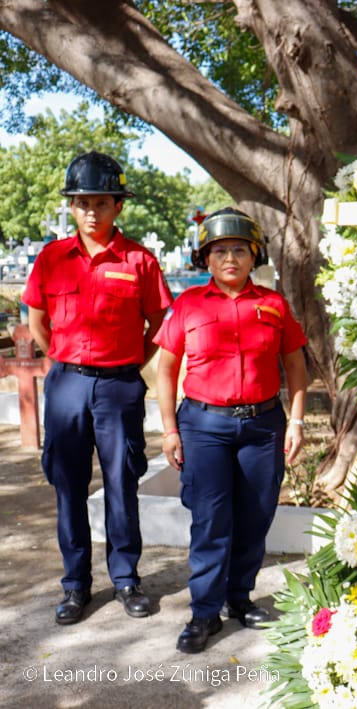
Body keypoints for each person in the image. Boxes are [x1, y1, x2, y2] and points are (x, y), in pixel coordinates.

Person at [22, 151, 173, 625]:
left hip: (119, 387)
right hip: (66, 384)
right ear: (71, 207)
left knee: (122, 483)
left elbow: (158, 325)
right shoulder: (50, 259)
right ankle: (75, 586)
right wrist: (64, 362)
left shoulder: (139, 261)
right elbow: (38, 322)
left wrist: (127, 367)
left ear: (118, 207)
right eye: (82, 201)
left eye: (101, 202)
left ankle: (126, 579)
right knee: (67, 485)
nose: (92, 210)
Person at [154, 207, 308, 654]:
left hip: (262, 426)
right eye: (219, 251)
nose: (230, 259)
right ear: (206, 258)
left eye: (239, 250)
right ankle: (204, 612)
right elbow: (165, 369)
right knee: (210, 520)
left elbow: (296, 364)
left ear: (253, 255)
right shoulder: (187, 306)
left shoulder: (274, 305)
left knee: (256, 515)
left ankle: (239, 599)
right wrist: (169, 429)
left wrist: (296, 420)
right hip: (204, 427)